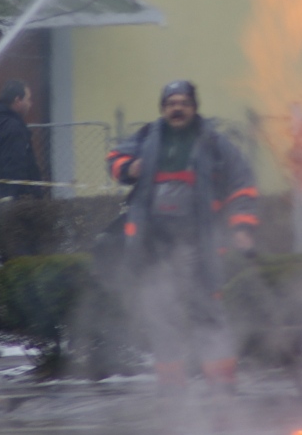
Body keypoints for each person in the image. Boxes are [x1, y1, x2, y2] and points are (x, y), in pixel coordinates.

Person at [106, 80, 259, 394]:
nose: (177, 108)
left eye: (183, 103)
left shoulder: (213, 143)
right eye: (171, 103)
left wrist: (242, 227)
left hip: (199, 244)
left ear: (194, 107)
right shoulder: (148, 137)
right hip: (155, 246)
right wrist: (128, 167)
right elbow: (114, 158)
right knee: (161, 315)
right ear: (163, 109)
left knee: (207, 312)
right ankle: (171, 388)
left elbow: (242, 184)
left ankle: (222, 386)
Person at [0, 80, 42, 200]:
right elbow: (15, 166)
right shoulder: (13, 127)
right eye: (28, 99)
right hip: (12, 200)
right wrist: (15, 198)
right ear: (17, 100)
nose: (30, 104)